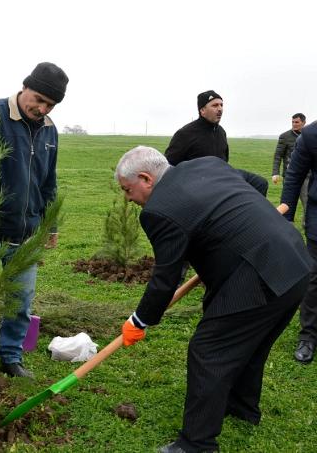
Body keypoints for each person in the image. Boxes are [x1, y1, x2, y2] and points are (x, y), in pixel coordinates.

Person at [116, 146, 309, 453]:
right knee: (252, 344)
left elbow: (166, 278)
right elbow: (258, 184)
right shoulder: (206, 164)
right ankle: (243, 408)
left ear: (145, 178)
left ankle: (196, 444)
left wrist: (140, 320)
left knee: (209, 350)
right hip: (295, 262)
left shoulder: (157, 211)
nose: (128, 198)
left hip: (260, 275)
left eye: (128, 190)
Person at [0, 62, 68, 378]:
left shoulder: (49, 130)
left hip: (26, 234)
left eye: (50, 104)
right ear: (24, 88)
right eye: (38, 99)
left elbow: (49, 182)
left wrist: (51, 225)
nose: (42, 108)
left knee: (20, 302)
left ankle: (10, 357)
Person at [165, 90, 268, 196]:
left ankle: (251, 211)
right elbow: (169, 164)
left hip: (222, 175)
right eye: (215, 105)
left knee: (260, 183)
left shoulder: (221, 132)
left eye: (221, 105)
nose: (220, 109)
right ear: (202, 110)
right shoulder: (185, 133)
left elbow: (225, 159)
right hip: (199, 181)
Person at [280, 120, 317, 364]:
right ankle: (308, 336)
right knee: (314, 277)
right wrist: (286, 214)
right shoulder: (312, 134)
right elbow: (294, 175)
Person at [272, 113, 308, 223]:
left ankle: (308, 227)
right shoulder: (285, 136)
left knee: (309, 204)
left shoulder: (309, 136)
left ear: (304, 122)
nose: (294, 124)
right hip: (290, 177)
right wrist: (275, 173)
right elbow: (278, 156)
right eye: (293, 122)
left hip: (306, 177)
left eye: (297, 122)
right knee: (287, 206)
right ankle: (286, 230)